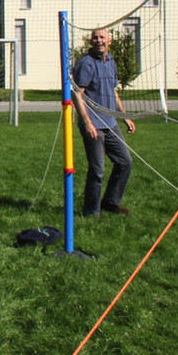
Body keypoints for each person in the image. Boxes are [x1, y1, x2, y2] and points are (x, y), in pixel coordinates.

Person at [72, 28, 136, 218]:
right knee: (97, 170)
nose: (98, 40)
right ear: (90, 41)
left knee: (125, 162)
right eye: (95, 37)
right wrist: (87, 123)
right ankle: (91, 212)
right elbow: (77, 94)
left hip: (110, 123)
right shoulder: (86, 63)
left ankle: (110, 202)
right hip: (93, 124)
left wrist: (125, 117)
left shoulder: (111, 62)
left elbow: (113, 92)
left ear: (110, 41)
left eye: (102, 37)